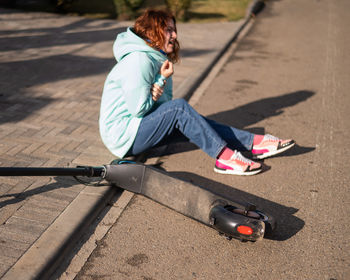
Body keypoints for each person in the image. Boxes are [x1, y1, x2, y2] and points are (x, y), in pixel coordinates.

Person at [99, 9, 295, 176]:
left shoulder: (155, 58)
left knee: (198, 123)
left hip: (136, 129)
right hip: (123, 136)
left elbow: (161, 105)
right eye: (168, 30)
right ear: (152, 32)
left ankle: (254, 144)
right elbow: (139, 109)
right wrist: (161, 79)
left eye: (174, 30)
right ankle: (225, 159)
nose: (174, 36)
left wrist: (161, 81)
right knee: (180, 109)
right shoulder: (139, 60)